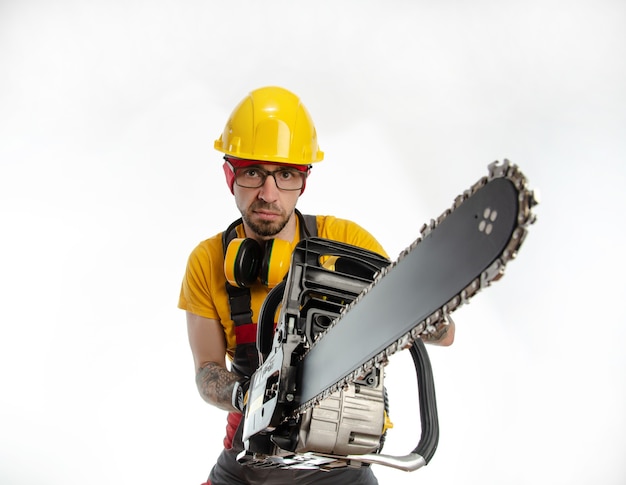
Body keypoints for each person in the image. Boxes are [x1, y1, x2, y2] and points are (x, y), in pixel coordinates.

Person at [178, 86, 454, 485]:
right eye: (253, 172)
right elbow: (207, 371)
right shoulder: (207, 261)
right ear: (229, 175)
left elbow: (445, 334)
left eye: (286, 174)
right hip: (249, 455)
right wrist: (247, 395)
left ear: (303, 182)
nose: (268, 194)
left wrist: (409, 310)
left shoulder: (347, 244)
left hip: (339, 459)